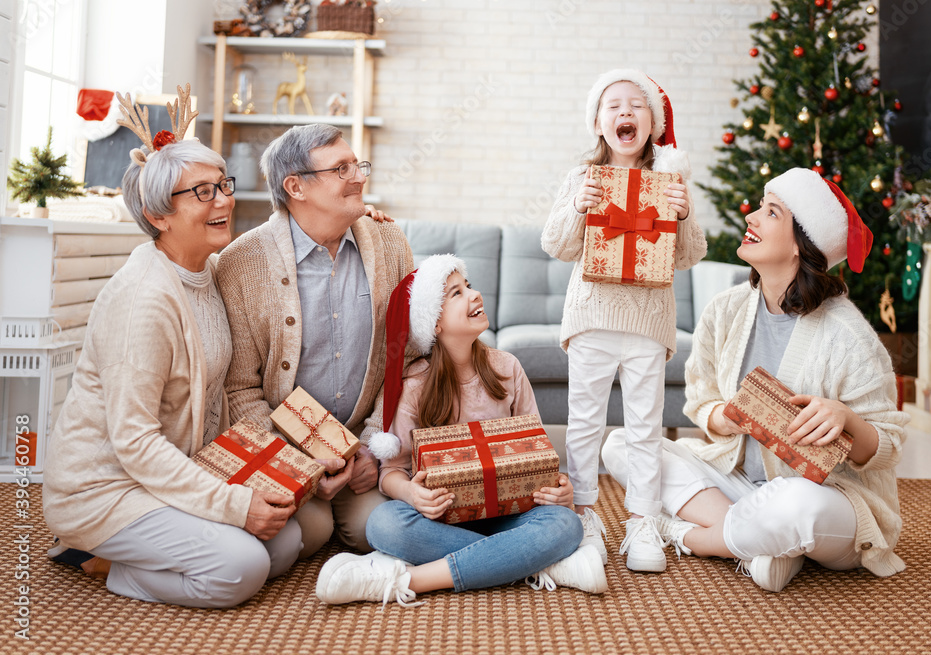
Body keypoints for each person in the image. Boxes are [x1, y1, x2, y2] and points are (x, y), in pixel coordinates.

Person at [43, 89, 301, 609]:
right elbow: (134, 442)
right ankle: (109, 564)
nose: (224, 200)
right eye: (202, 192)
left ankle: (156, 552)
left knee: (293, 538)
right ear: (158, 216)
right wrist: (233, 504)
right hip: (105, 489)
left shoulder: (205, 271)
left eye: (223, 184)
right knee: (243, 566)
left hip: (170, 474)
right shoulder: (145, 300)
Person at [603, 167, 908, 592]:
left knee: (797, 503)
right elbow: (700, 395)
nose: (751, 217)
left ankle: (696, 537)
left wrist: (846, 420)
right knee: (622, 446)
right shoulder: (726, 309)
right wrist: (719, 418)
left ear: (803, 245)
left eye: (771, 212)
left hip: (830, 500)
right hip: (738, 484)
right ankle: (768, 544)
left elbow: (890, 445)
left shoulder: (848, 334)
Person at [316, 255, 607, 606]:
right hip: (444, 522)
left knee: (566, 523)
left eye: (468, 286)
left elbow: (538, 454)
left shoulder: (507, 368)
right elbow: (391, 472)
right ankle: (540, 564)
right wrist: (411, 494)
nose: (475, 294)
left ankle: (408, 579)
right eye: (457, 293)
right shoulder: (415, 384)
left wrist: (560, 489)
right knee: (383, 523)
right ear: (434, 323)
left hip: (510, 516)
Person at [216, 124, 413, 559]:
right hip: (284, 446)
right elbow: (240, 389)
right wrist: (301, 463)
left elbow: (409, 359)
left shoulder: (390, 242)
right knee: (312, 533)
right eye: (341, 168)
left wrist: (375, 446)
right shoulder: (240, 264)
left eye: (357, 165)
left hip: (363, 439)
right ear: (295, 186)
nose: (359, 176)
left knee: (371, 532)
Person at [541, 69, 708, 572]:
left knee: (644, 426)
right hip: (592, 318)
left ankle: (641, 520)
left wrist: (682, 216)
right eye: (613, 106)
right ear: (597, 122)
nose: (624, 114)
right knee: (585, 422)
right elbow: (555, 244)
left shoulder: (670, 182)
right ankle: (585, 514)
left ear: (652, 124)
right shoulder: (582, 179)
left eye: (636, 105)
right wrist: (577, 207)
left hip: (648, 324)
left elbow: (691, 254)